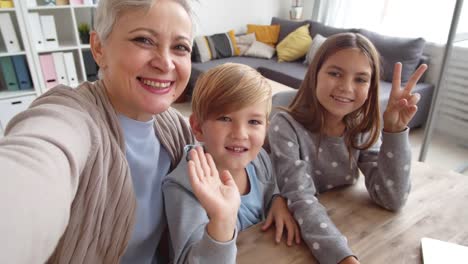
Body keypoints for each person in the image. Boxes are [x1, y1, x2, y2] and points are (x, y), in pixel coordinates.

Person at [0, 0, 196, 263]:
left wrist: (273, 195)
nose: (166, 63)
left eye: (180, 47)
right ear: (98, 47)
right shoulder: (71, 116)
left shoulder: (177, 127)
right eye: (144, 40)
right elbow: (36, 162)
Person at [267, 33, 428, 264]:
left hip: (343, 220)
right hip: (292, 229)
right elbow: (300, 197)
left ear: (371, 86)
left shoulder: (362, 125)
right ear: (315, 73)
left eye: (361, 79)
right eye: (335, 73)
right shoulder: (285, 124)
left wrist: (394, 131)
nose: (346, 87)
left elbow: (391, 198)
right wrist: (342, 258)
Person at [163, 63, 301, 263]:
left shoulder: (259, 158)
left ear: (266, 129)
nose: (240, 134)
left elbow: (272, 185)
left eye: (254, 122)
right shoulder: (183, 187)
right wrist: (222, 220)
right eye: (225, 118)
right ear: (198, 127)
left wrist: (277, 199)